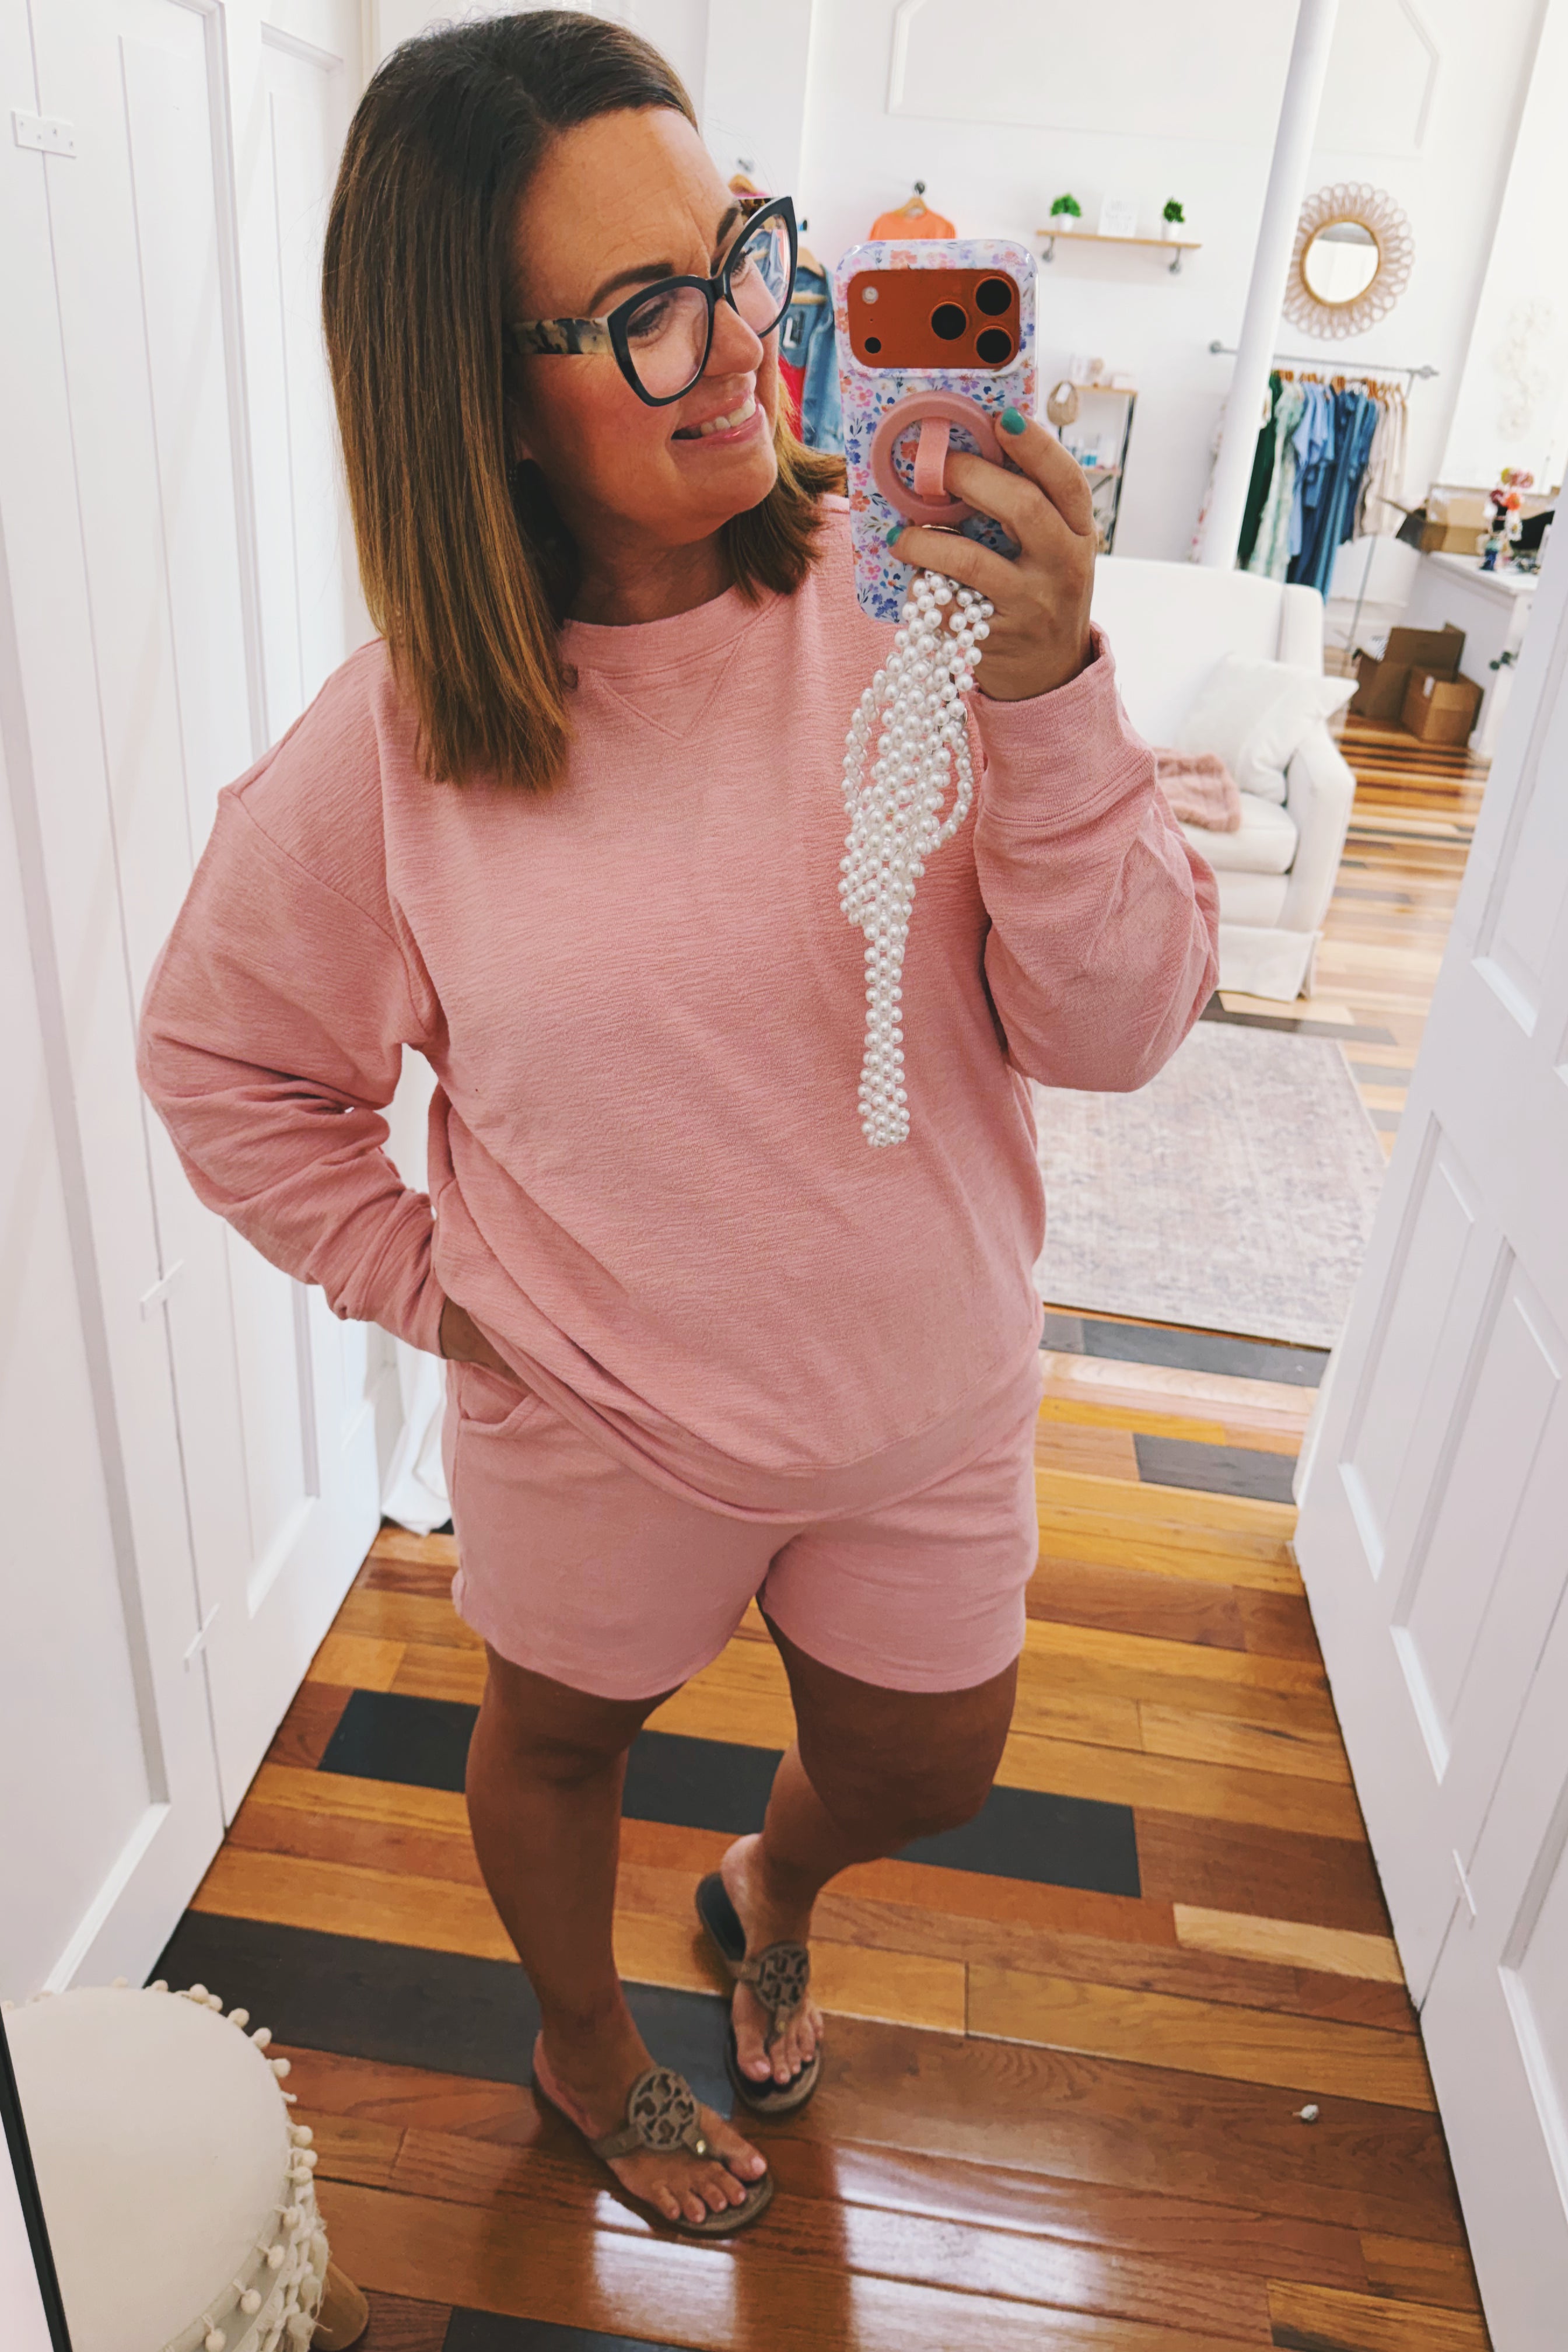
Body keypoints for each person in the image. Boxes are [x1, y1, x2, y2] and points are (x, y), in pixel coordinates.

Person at [136, 10, 1218, 2239]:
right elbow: (221, 1065)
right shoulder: (401, 749)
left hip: (921, 1395)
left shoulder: (921, 611)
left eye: (739, 251)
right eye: (645, 308)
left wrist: (1050, 699)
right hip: (598, 1418)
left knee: (931, 1764)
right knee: (555, 1748)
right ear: (480, 391)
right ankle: (580, 2041)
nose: (741, 340)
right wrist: (439, 1290)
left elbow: (1116, 1034)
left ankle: (769, 1886)